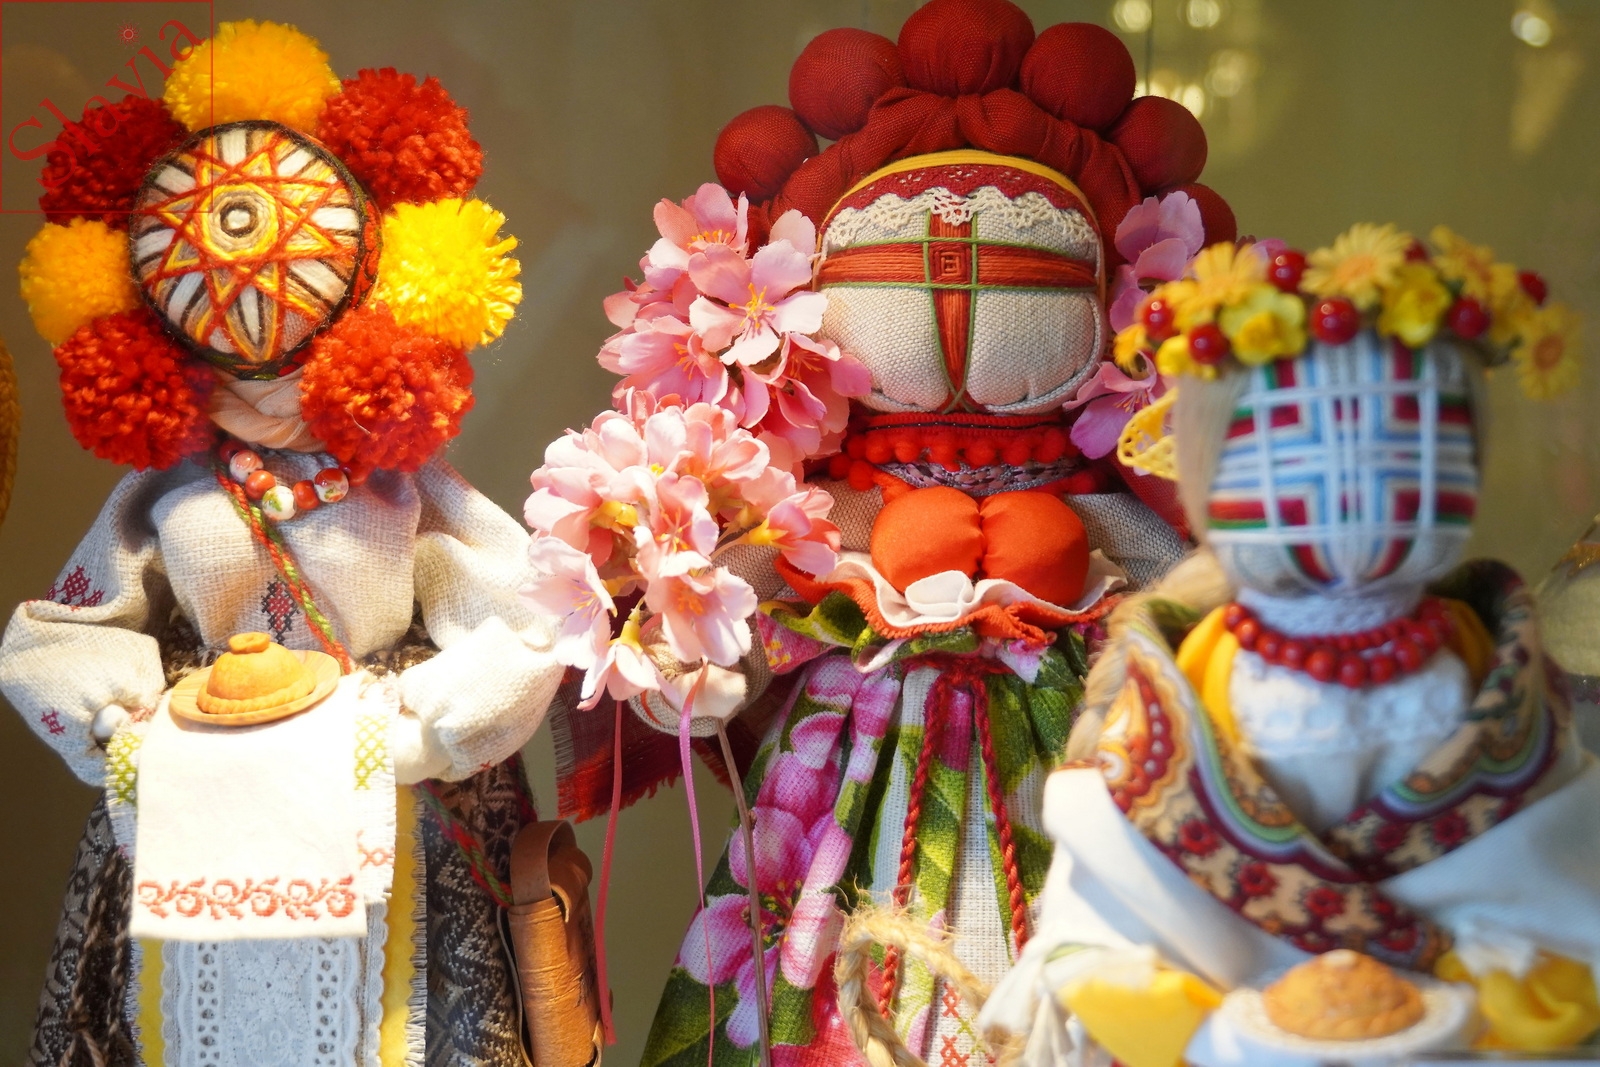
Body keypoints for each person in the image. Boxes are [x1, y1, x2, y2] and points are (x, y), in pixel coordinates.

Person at [530, 2, 1237, 1062]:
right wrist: (697, 649)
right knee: (826, 955)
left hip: (1073, 755)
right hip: (854, 766)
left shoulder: (1094, 504)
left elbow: (1187, 585)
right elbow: (767, 567)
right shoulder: (837, 506)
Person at [2, 21, 560, 1066]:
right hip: (198, 791)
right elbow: (66, 625)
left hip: (389, 796)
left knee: (395, 1016)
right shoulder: (169, 488)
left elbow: (524, 617)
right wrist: (115, 718)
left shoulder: (403, 485)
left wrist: (428, 727)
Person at [980, 224, 1600, 1067]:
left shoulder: (1489, 672)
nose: (1351, 489)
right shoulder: (1196, 678)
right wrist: (1207, 1030)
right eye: (1290, 457)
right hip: (1212, 1012)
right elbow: (1118, 899)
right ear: (1204, 471)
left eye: (1403, 452)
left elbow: (1556, 876)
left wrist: (1468, 1005)